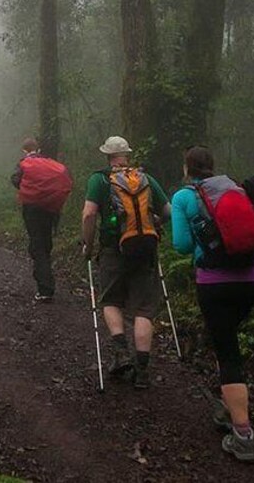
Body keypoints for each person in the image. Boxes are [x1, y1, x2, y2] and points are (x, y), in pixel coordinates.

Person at [171, 146, 254, 462]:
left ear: (187, 168)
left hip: (215, 282)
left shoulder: (184, 197)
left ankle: (242, 434)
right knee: (229, 342)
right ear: (212, 166)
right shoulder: (234, 187)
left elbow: (182, 246)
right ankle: (229, 406)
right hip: (250, 279)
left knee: (227, 353)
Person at [81, 136, 171, 389]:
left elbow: (89, 214)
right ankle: (142, 370)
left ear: (107, 156)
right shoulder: (146, 179)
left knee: (111, 300)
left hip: (113, 249)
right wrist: (153, 226)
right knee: (143, 309)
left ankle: (121, 352)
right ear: (127, 155)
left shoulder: (99, 180)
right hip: (145, 249)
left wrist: (88, 245)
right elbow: (168, 212)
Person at [12, 138, 72, 302]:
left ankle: (45, 288)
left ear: (25, 150)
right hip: (51, 208)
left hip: (32, 209)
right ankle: (46, 278)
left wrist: (30, 190)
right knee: (45, 243)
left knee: (37, 245)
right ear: (38, 149)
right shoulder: (49, 162)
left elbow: (16, 180)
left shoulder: (24, 163)